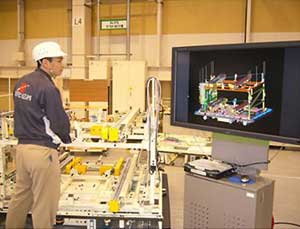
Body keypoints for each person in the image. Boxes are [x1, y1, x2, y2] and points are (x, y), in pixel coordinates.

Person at [6, 41, 71, 229]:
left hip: (22, 150)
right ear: (45, 62)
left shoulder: (21, 83)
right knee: (45, 204)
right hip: (42, 152)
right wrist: (67, 138)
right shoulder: (48, 88)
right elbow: (58, 121)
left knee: (21, 197)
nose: (61, 64)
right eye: (58, 60)